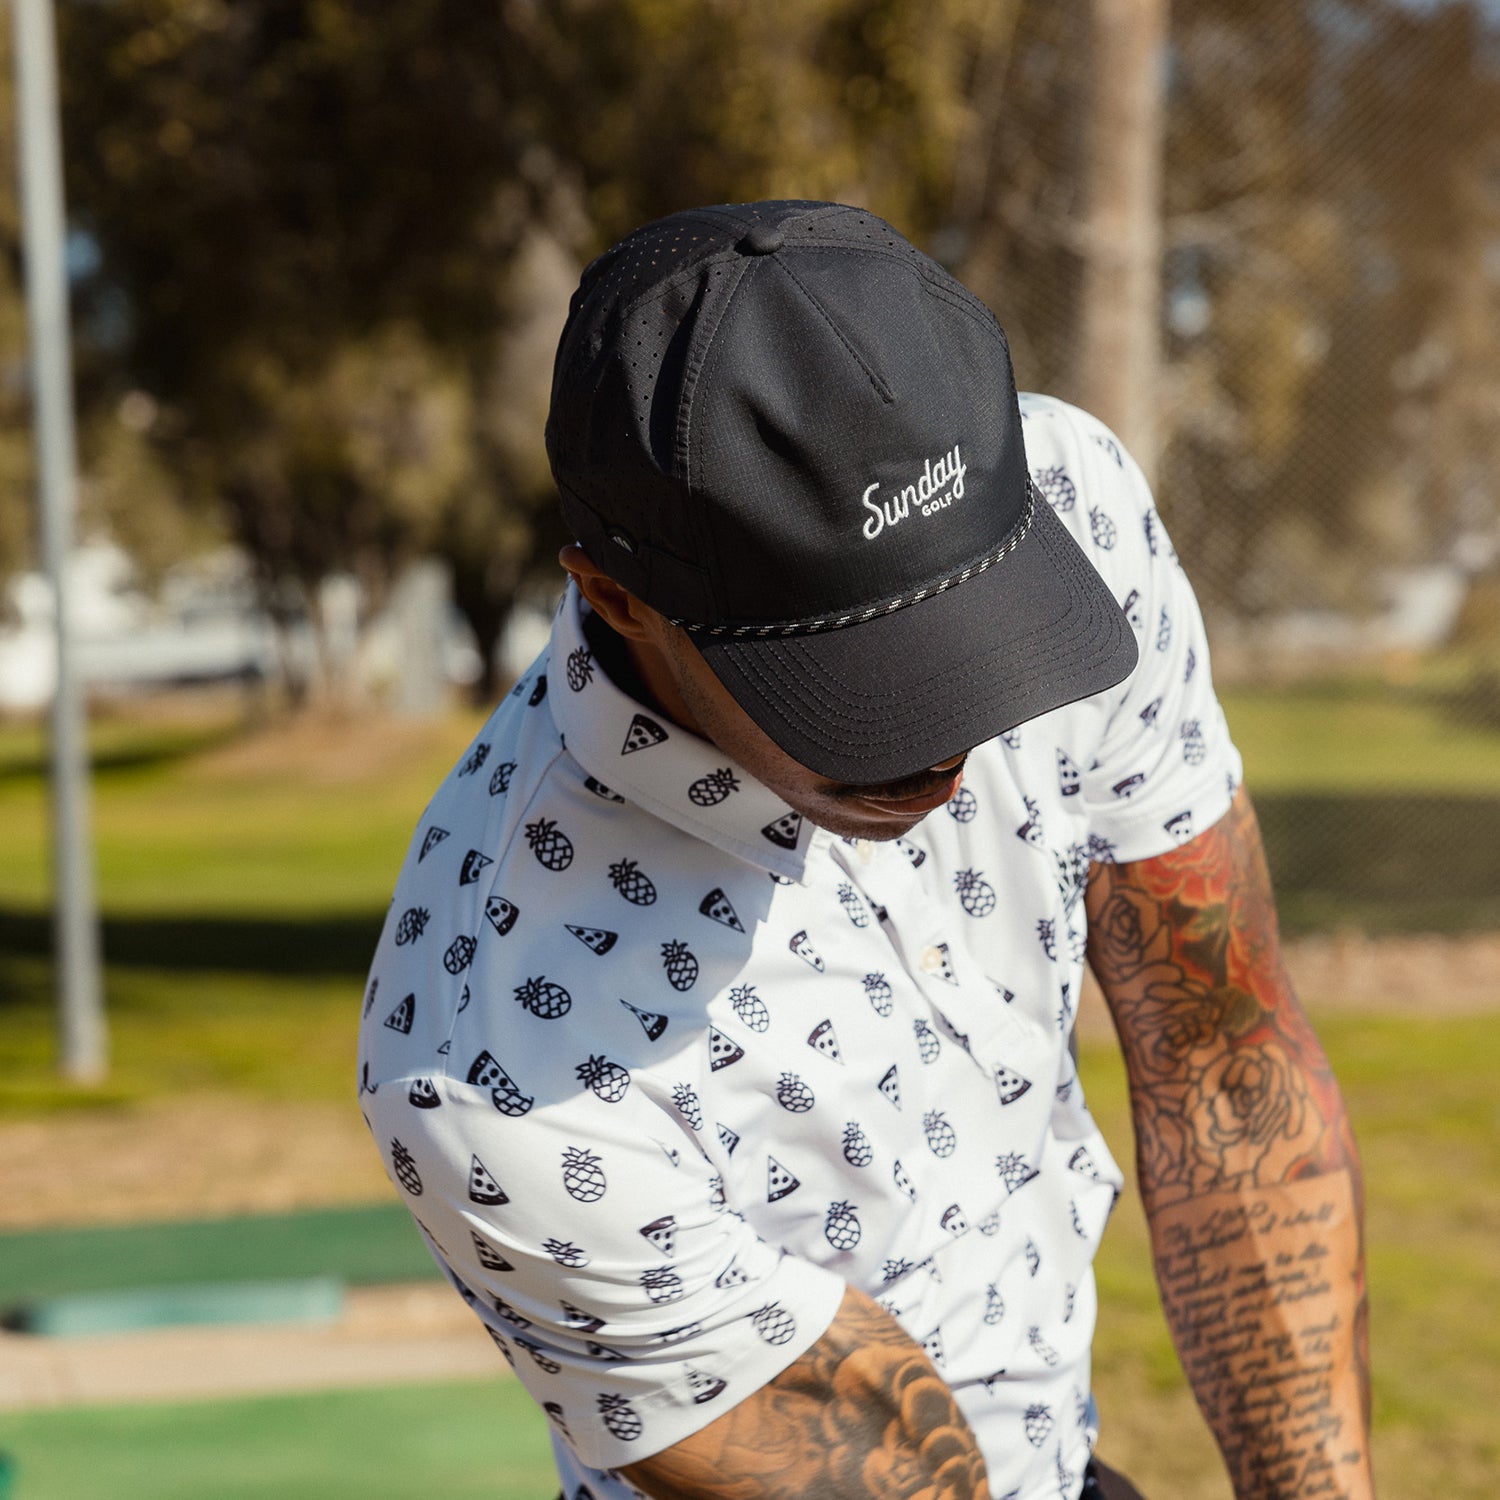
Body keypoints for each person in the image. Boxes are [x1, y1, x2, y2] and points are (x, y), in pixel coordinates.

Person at [357, 200, 1373, 1500]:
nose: (948, 735)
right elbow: (897, 1474)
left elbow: (1224, 1058)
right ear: (617, 598)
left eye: (974, 633)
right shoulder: (499, 1063)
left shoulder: (1072, 500)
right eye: (856, 678)